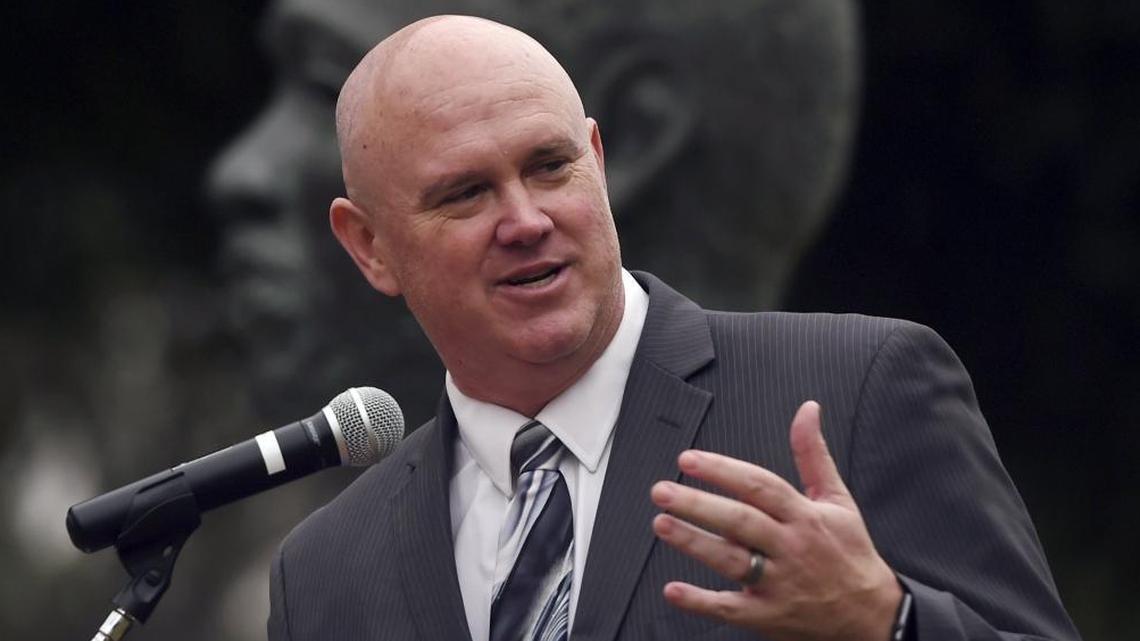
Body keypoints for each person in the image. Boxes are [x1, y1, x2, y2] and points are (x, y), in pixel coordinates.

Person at [266, 15, 1079, 641]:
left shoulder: (856, 388)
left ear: (599, 159)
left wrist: (888, 620)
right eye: (466, 194)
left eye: (551, 167)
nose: (526, 220)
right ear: (369, 245)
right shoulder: (328, 569)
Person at [206, 0, 860, 424]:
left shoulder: (870, 443)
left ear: (619, 143)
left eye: (323, 86)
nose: (240, 172)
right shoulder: (331, 567)